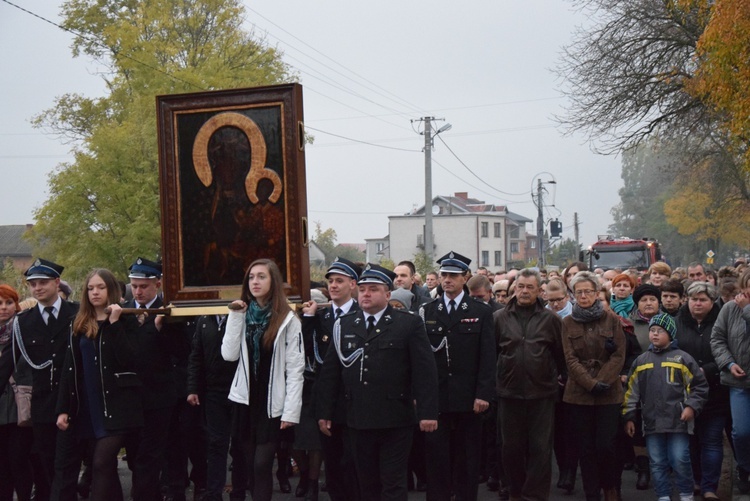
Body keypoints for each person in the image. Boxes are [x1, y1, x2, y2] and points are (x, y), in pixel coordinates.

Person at [316, 263, 439, 501]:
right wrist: (325, 411)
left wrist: (428, 412)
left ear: (387, 294)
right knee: (366, 482)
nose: (366, 294)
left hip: (396, 417)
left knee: (393, 482)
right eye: (362, 289)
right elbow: (331, 372)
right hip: (358, 417)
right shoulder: (345, 324)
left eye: (373, 289)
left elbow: (424, 372)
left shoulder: (408, 323)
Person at [55, 269, 143, 501]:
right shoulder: (79, 322)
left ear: (111, 290)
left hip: (117, 405)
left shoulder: (126, 319)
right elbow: (70, 368)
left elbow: (131, 360)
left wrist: (114, 324)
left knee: (101, 463)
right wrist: (63, 408)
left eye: (101, 287)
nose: (95, 292)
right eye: (91, 288)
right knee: (104, 468)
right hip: (88, 406)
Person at [221, 258, 305, 501]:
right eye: (251, 277)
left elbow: (295, 368)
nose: (255, 282)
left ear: (273, 281)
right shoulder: (242, 314)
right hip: (245, 400)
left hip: (273, 403)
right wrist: (236, 316)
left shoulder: (288, 319)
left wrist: (291, 411)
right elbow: (229, 355)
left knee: (262, 465)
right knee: (249, 466)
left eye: (261, 277)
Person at [0, 259, 79, 501]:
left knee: (69, 464)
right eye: (33, 284)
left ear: (57, 283)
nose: (37, 288)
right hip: (44, 403)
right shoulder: (24, 322)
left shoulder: (76, 313)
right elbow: (7, 363)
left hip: (75, 399)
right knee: (48, 462)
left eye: (43, 282)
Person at [420, 252, 495, 501]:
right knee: (437, 461)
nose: (447, 280)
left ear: (465, 278)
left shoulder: (480, 312)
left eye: (453, 275)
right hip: (438, 399)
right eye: (444, 275)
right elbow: (421, 361)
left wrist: (483, 394)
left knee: (467, 460)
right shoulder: (427, 311)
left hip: (468, 398)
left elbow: (487, 357)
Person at [494, 268, 565, 500]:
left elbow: (561, 356)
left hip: (541, 394)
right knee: (511, 448)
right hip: (509, 392)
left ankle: (534, 495)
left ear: (539, 291)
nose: (524, 291)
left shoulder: (551, 319)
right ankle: (515, 491)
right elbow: (492, 354)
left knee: (540, 450)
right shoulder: (499, 318)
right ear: (514, 289)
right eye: (520, 287)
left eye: (530, 287)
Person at [623, 313, 709, 501]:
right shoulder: (642, 361)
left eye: (660, 331)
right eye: (652, 330)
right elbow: (631, 391)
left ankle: (686, 494)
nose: (654, 334)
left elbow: (699, 387)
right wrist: (629, 416)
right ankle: (663, 495)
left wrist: (691, 407)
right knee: (657, 462)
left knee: (680, 459)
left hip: (678, 421)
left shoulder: (683, 359)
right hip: (652, 422)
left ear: (670, 334)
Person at [300, 257, 363, 501]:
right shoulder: (320, 316)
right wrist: (307, 319)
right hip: (326, 399)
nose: (333, 286)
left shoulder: (361, 314)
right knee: (333, 463)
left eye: (339, 281)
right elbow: (304, 351)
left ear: (353, 284)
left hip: (354, 399)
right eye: (331, 281)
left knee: (353, 461)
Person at [562, 271, 626, 501]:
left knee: (605, 445)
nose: (583, 296)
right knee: (585, 448)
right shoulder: (567, 323)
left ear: (597, 293)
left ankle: (610, 486)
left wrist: (603, 381)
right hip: (579, 394)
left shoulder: (611, 319)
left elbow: (619, 355)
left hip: (608, 393)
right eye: (579, 292)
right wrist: (590, 383)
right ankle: (591, 492)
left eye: (588, 291)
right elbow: (569, 359)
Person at [121, 257, 180, 501]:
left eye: (143, 286)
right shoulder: (124, 313)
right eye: (134, 286)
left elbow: (181, 350)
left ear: (158, 284)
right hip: (132, 398)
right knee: (135, 456)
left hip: (160, 396)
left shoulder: (169, 311)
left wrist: (159, 329)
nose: (138, 291)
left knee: (150, 456)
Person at [674, 282, 727, 500]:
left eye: (703, 299)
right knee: (691, 441)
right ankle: (696, 480)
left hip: (716, 392)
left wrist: (708, 370)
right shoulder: (677, 321)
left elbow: (728, 350)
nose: (697, 303)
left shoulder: (722, 321)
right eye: (694, 299)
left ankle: (709, 487)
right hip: (685, 394)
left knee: (712, 440)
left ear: (711, 302)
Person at [186, 313, 242, 501]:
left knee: (239, 444)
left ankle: (239, 492)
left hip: (239, 390)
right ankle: (213, 494)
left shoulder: (243, 316)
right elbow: (196, 356)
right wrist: (193, 388)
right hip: (213, 392)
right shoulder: (204, 321)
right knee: (216, 443)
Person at [710, 268, 750, 494]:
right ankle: (744, 467)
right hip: (739, 383)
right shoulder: (729, 309)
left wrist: (748, 310)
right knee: (741, 431)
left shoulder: (743, 309)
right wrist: (728, 363)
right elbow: (717, 339)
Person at [0, 285, 33, 501]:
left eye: (8, 302)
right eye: (0, 303)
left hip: (17, 404)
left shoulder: (23, 330)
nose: (3, 308)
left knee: (18, 460)